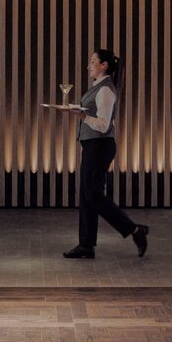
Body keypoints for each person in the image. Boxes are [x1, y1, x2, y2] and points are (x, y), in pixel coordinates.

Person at [59, 49, 148, 259]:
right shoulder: (96, 87)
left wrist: (81, 114)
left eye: (92, 61)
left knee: (94, 195)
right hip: (92, 146)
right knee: (87, 194)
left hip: (101, 146)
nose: (89, 65)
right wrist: (79, 111)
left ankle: (135, 230)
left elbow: (103, 124)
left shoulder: (106, 90)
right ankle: (86, 245)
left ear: (103, 66)